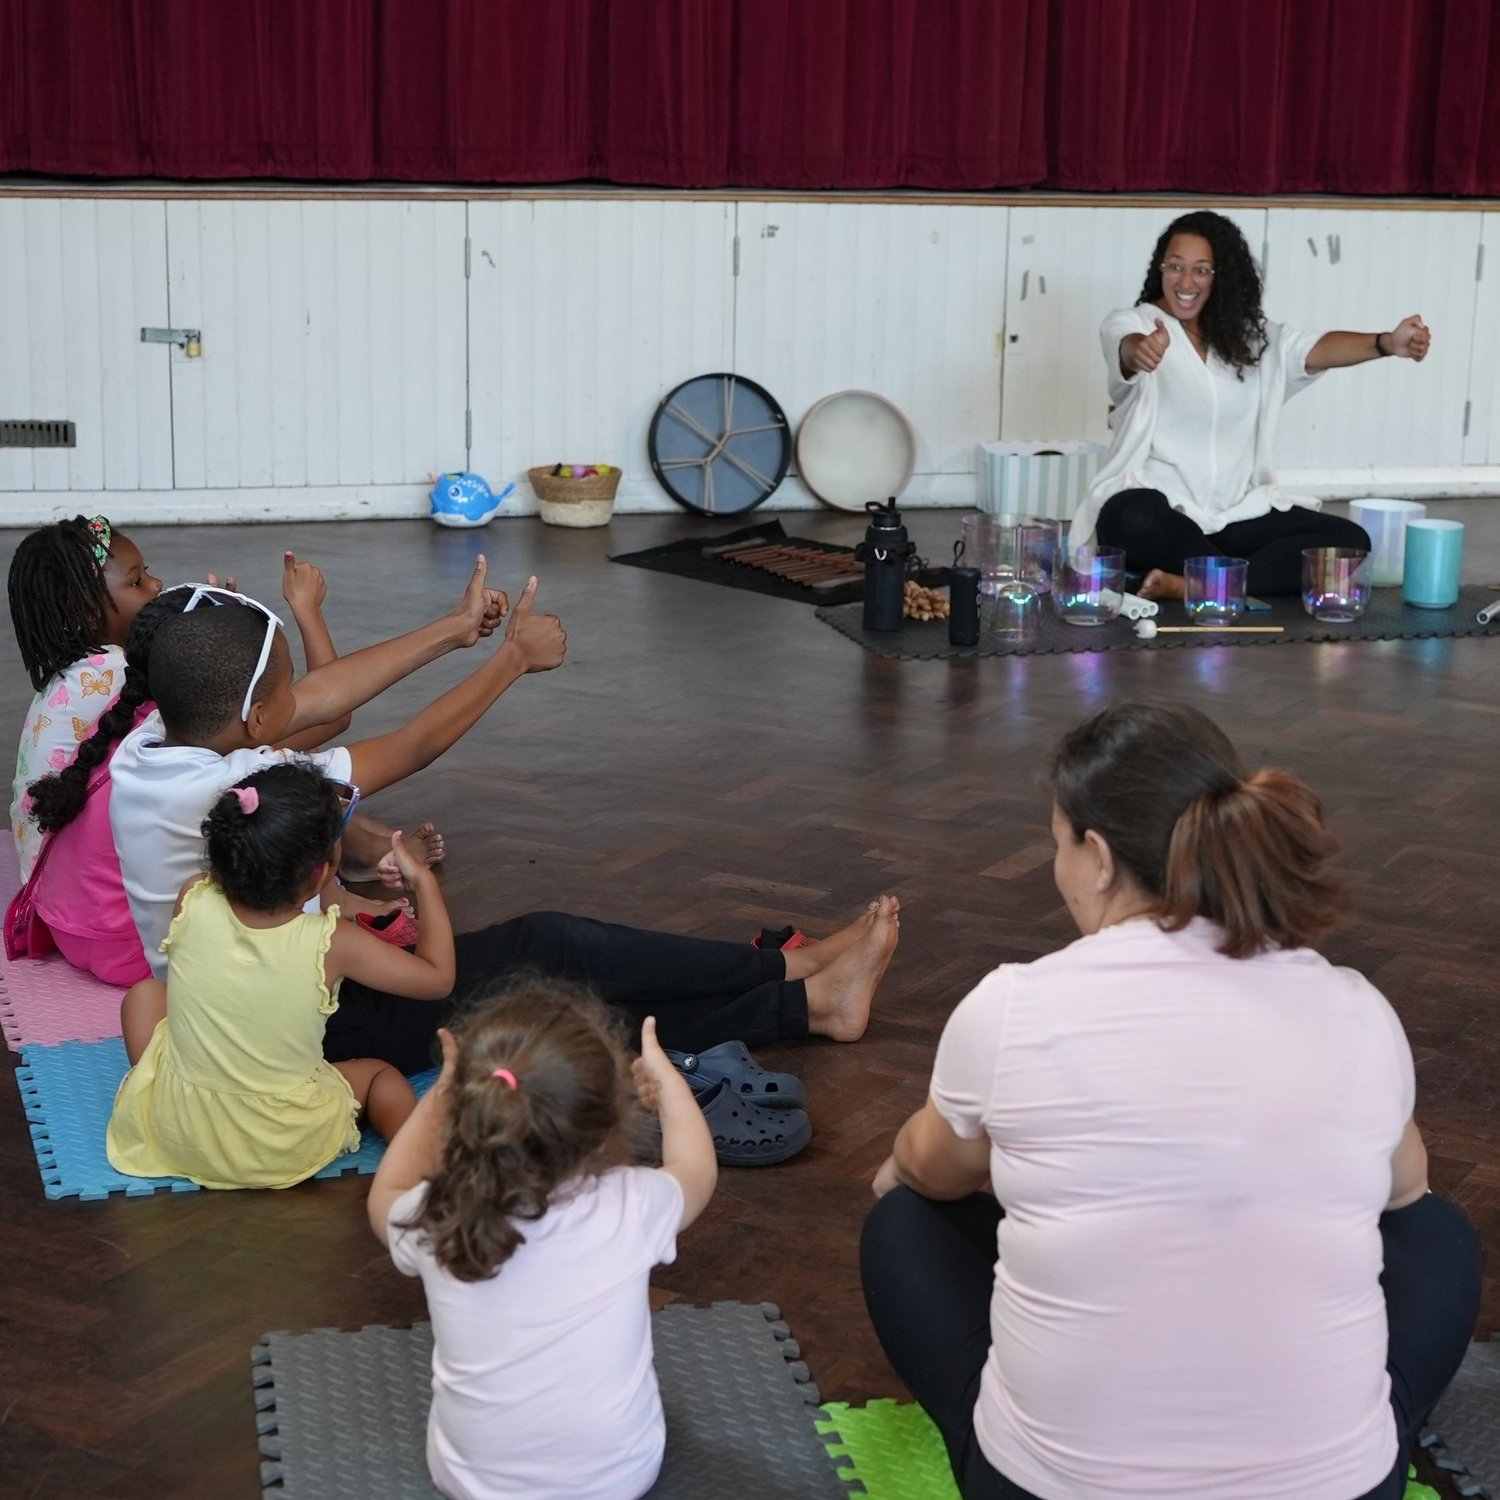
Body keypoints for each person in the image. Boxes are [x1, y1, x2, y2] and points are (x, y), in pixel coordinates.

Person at [860, 701, 1480, 1500]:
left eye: (1057, 849)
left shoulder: (1014, 1006)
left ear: (1099, 856)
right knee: (1437, 1233)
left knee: (904, 1221)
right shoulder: (1355, 1006)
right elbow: (1403, 1189)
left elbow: (924, 1171)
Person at [107, 585, 899, 1073]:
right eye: (282, 693)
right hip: (293, 1025)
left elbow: (319, 694)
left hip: (232, 998)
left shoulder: (150, 747)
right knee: (550, 971)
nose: (303, 697)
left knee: (545, 974)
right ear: (250, 718)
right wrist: (510, 660)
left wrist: (451, 632)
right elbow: (411, 744)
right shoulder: (233, 782)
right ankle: (805, 998)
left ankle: (796, 980)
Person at [368, 983, 716, 1500]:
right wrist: (668, 1088)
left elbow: (386, 1192)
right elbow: (696, 1169)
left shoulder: (435, 1215)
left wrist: (441, 1094)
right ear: (605, 1130)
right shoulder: (632, 1204)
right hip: (620, 1479)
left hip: (471, 1483)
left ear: (467, 1116)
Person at [107, 762, 450, 1189]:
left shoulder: (192, 896)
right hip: (284, 1143)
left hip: (180, 1134)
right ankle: (419, 1165)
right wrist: (424, 884)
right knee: (379, 1075)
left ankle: (179, 1099)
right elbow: (437, 978)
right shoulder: (333, 942)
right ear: (323, 871)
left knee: (144, 995)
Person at [1071, 210, 1431, 598]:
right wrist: (1140, 352)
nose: (1185, 281)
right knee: (1128, 516)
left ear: (1220, 276)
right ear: (1161, 268)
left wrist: (1387, 343)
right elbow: (1124, 346)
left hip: (1236, 515)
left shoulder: (1248, 340)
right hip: (1167, 513)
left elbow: (1316, 348)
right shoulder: (1134, 323)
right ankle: (1233, 579)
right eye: (1175, 267)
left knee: (1348, 538)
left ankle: (1195, 583)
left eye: (1201, 270)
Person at [8, 515, 163, 879]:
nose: (156, 584)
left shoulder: (80, 667)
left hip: (45, 881)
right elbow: (213, 729)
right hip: (74, 886)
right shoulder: (110, 671)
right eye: (137, 581)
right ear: (85, 612)